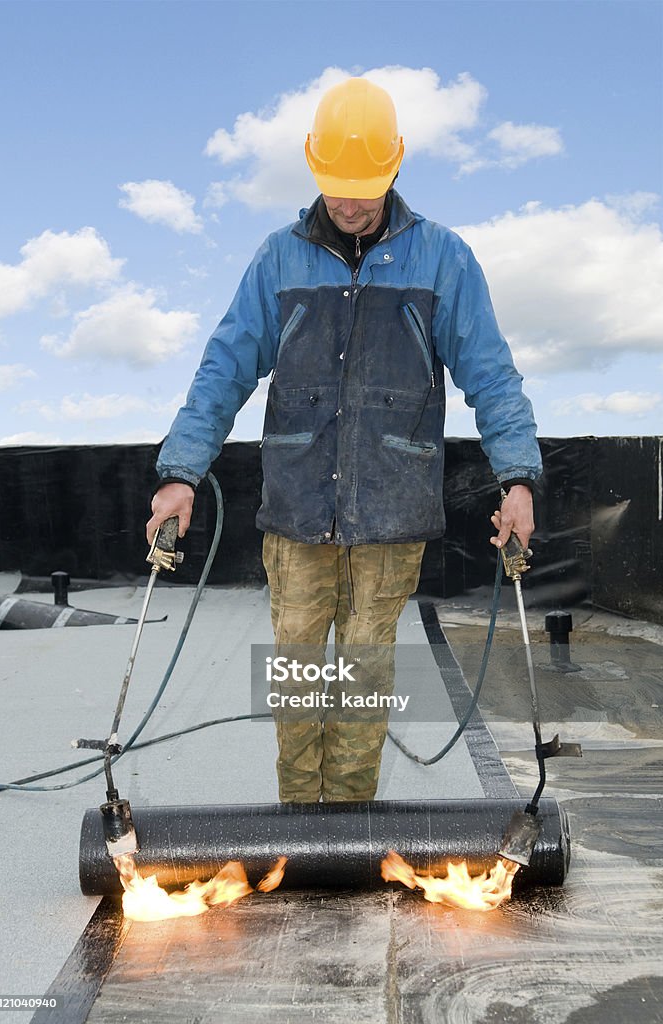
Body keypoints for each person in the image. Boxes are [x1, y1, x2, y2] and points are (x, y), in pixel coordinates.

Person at [146, 78, 542, 804]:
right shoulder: (279, 259)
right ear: (311, 166)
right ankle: (302, 824)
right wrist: (182, 471)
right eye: (336, 187)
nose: (351, 203)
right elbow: (223, 369)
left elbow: (492, 372)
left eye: (366, 186)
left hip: (392, 514)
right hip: (297, 510)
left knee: (363, 674)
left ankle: (352, 832)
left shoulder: (443, 259)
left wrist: (517, 477)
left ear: (396, 166)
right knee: (299, 672)